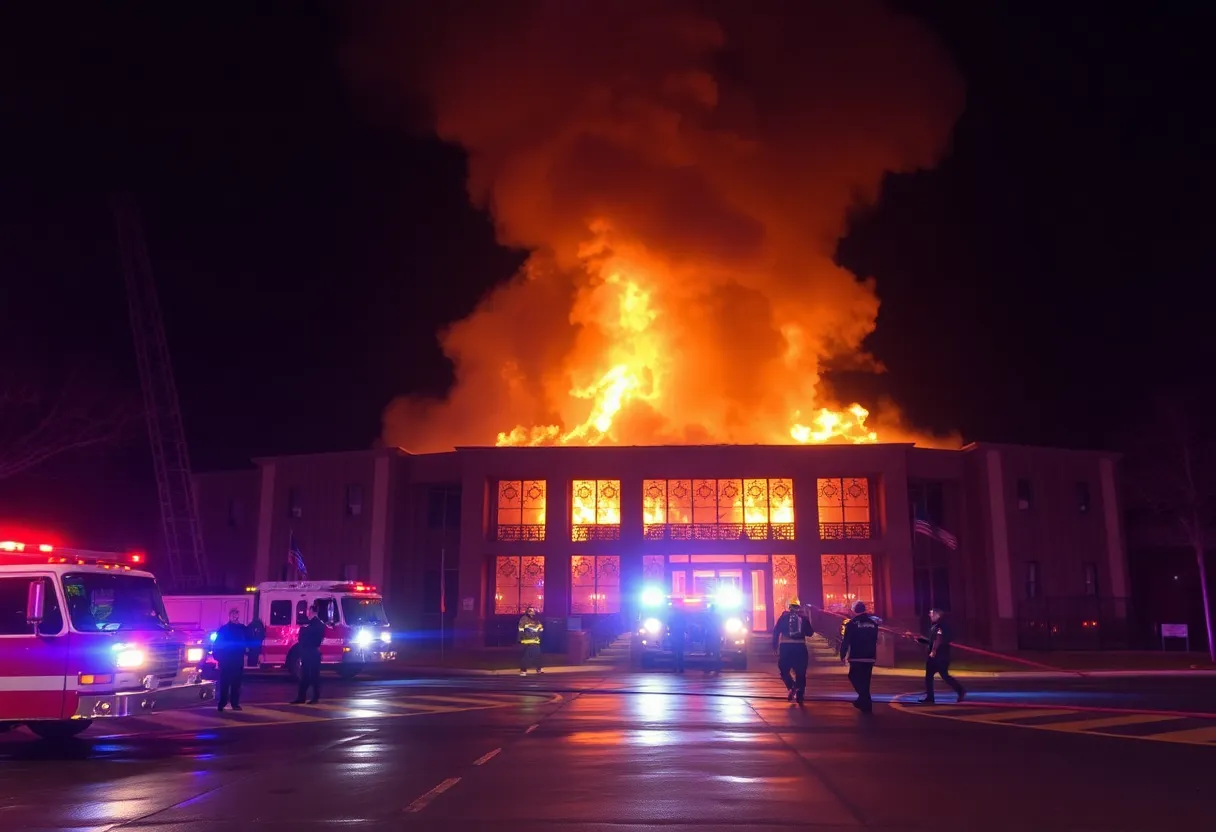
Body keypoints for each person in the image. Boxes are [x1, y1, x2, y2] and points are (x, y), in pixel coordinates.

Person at [915, 607, 966, 704]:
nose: (929, 615)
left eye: (932, 613)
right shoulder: (937, 626)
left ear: (938, 615)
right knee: (942, 676)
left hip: (938, 656)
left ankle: (931, 698)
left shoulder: (940, 626)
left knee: (931, 676)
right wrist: (920, 639)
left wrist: (933, 651)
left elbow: (939, 638)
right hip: (940, 656)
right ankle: (960, 690)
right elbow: (932, 641)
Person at [839, 600, 880, 714]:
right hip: (870, 656)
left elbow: (846, 640)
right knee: (866, 681)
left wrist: (842, 654)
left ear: (854, 610)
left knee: (853, 676)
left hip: (857, 655)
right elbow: (875, 639)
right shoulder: (873, 623)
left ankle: (864, 699)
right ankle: (865, 705)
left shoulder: (852, 623)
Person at [771, 599, 814, 704]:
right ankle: (800, 693)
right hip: (800, 647)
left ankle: (791, 686)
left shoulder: (783, 618)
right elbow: (810, 633)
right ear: (798, 607)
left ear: (789, 607)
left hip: (786, 647)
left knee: (784, 669)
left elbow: (776, 631)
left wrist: (774, 645)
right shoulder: (803, 618)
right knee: (801, 671)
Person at [214, 608, 250, 711]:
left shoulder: (242, 628)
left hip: (237, 659)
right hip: (226, 659)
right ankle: (222, 703)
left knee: (236, 683)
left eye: (236, 615)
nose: (235, 617)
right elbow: (217, 644)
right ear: (229, 616)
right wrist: (218, 657)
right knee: (224, 683)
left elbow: (248, 639)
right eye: (233, 615)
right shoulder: (224, 629)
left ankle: (235, 703)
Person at [291, 604, 327, 704]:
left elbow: (307, 637)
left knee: (313, 675)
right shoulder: (314, 624)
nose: (307, 612)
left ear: (312, 611)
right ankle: (302, 697)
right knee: (305, 675)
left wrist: (303, 630)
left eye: (308, 610)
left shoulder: (314, 624)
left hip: (311, 651)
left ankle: (314, 697)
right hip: (310, 651)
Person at [518, 605, 544, 676]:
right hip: (527, 641)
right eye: (529, 610)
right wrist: (520, 638)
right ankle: (523, 671)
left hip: (535, 641)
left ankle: (539, 669)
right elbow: (520, 629)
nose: (531, 611)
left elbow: (541, 629)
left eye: (532, 610)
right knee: (526, 656)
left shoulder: (537, 620)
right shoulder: (524, 619)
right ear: (527, 611)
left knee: (538, 656)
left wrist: (539, 633)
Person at [668, 603, 687, 674]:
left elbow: (670, 625)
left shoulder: (673, 617)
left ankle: (675, 668)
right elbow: (685, 626)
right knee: (680, 652)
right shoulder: (681, 617)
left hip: (676, 635)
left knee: (676, 652)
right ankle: (680, 668)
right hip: (679, 635)